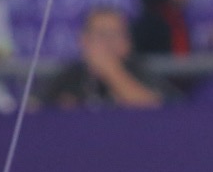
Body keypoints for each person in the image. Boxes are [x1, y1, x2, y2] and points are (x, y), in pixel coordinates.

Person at [40, 6, 171, 108]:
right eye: (101, 34)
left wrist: (111, 72)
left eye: (116, 34)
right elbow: (38, 109)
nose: (109, 43)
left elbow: (158, 111)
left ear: (128, 42)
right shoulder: (69, 76)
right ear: (84, 40)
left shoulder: (141, 72)